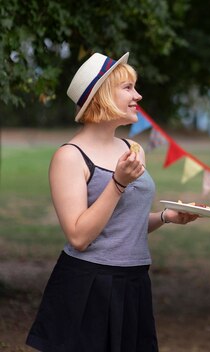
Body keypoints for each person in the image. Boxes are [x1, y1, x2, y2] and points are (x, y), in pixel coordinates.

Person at [26, 52, 198, 351]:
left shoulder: (133, 149)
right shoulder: (70, 156)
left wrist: (166, 217)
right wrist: (118, 183)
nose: (138, 95)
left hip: (134, 282)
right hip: (88, 286)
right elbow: (80, 236)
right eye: (128, 87)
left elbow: (121, 225)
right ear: (102, 95)